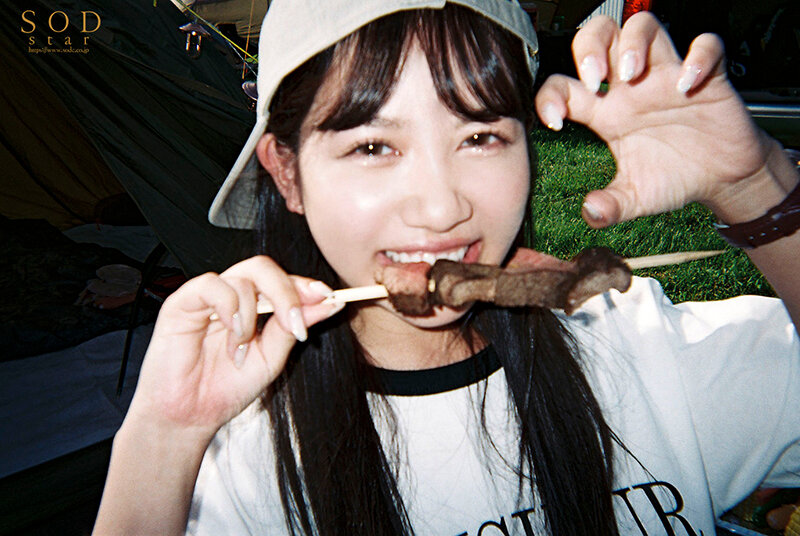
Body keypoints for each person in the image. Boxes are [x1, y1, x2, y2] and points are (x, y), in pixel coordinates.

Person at [93, 1, 800, 534]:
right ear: (287, 173)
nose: (441, 209)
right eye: (372, 146)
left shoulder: (637, 344)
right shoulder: (238, 462)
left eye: (482, 136)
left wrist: (757, 189)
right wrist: (162, 437)